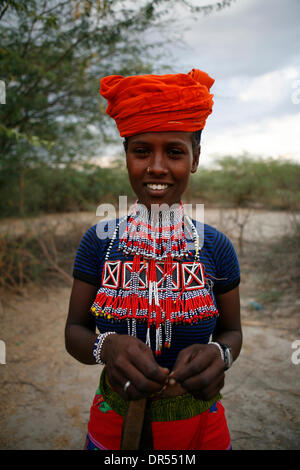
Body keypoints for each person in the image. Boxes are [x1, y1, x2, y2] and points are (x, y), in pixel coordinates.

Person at [65, 68, 242, 450]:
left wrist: (220, 354)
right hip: (114, 422)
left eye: (175, 151)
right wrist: (106, 347)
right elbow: (74, 332)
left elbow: (233, 333)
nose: (157, 167)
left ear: (195, 159)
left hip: (200, 425)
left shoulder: (216, 246)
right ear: (126, 156)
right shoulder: (99, 242)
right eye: (141, 150)